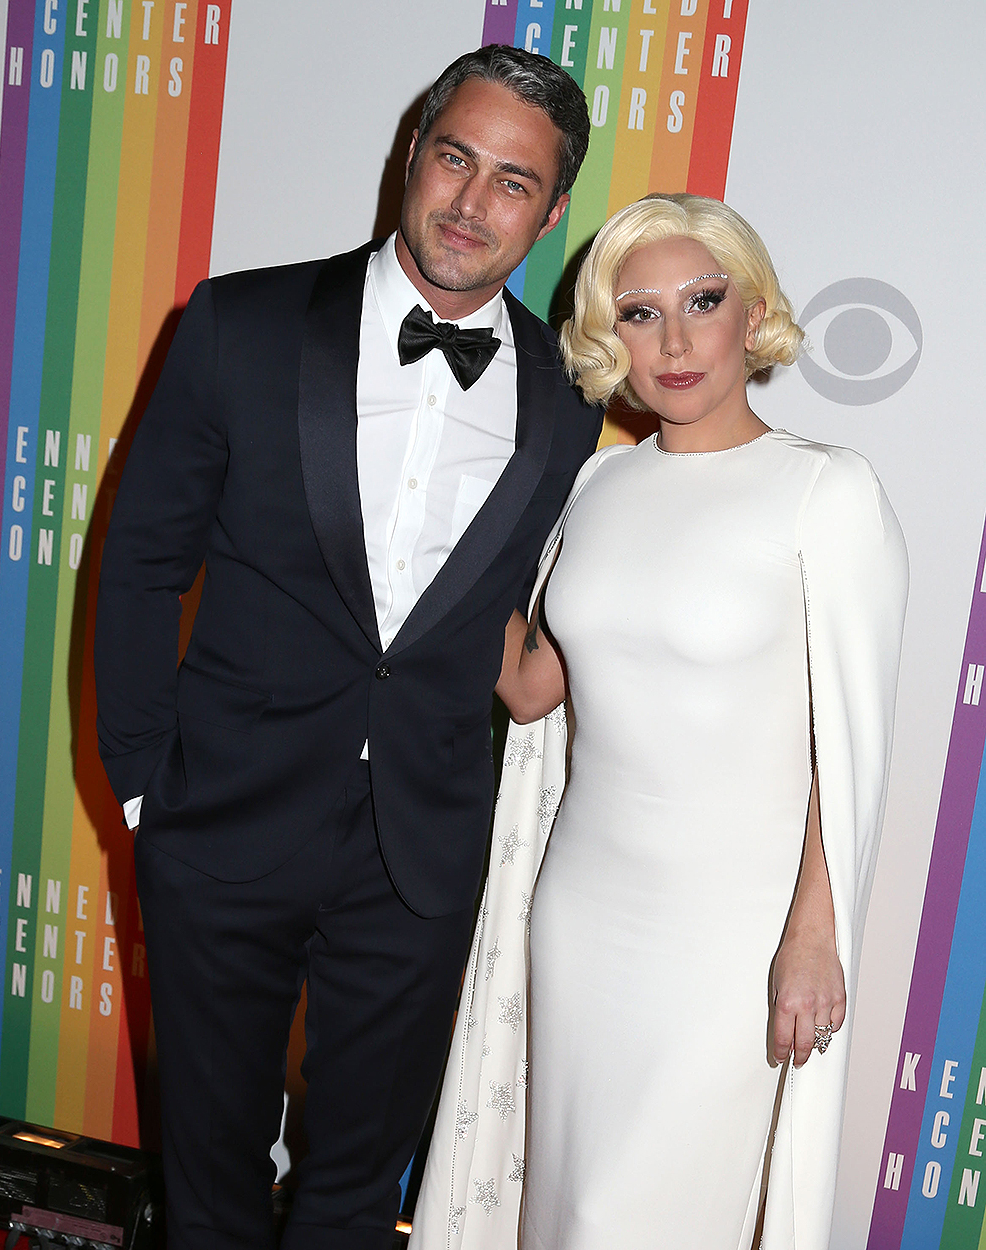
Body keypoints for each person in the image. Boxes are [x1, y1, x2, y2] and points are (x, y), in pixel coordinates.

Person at [93, 45, 602, 1250]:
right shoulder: (242, 322)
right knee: (208, 1175)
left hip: (417, 852)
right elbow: (139, 565)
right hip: (219, 818)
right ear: (410, 154)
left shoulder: (567, 400)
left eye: (514, 182)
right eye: (455, 158)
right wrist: (139, 784)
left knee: (358, 1188)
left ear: (551, 208)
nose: (473, 204)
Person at [409, 194, 907, 1250]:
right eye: (638, 312)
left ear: (753, 310)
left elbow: (850, 750)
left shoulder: (825, 491)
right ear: (607, 335)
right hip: (581, 910)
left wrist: (814, 934)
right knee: (566, 1206)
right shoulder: (595, 482)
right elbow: (536, 688)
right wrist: (448, 527)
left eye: (702, 301)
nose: (673, 340)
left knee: (632, 1217)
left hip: (731, 934)